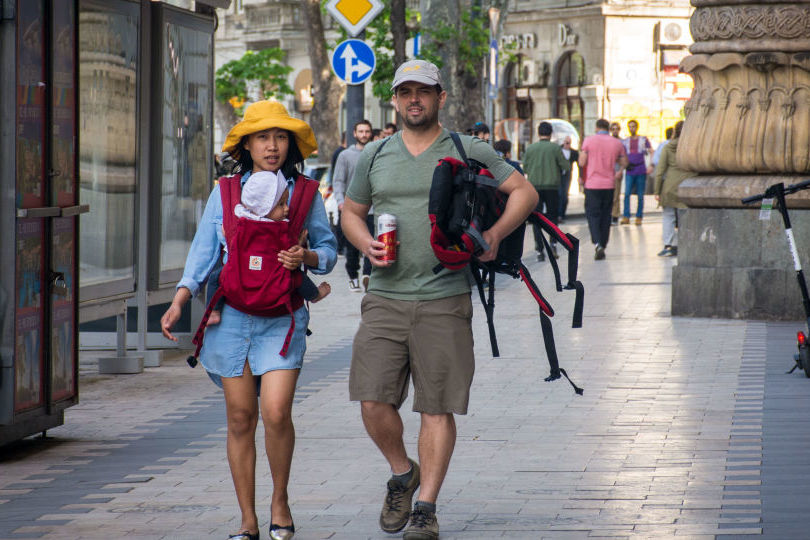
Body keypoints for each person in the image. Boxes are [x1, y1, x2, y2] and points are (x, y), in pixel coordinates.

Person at [341, 59, 537, 540]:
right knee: (372, 401)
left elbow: (524, 193)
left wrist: (492, 234)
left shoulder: (466, 148)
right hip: (384, 296)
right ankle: (403, 472)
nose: (414, 99)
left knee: (436, 407)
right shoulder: (376, 154)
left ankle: (425, 506)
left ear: (440, 97)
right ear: (394, 99)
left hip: (444, 296)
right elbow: (350, 210)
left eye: (423, 92)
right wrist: (364, 242)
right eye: (405, 92)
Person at [160, 101, 337, 540]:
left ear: (290, 144)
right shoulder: (224, 192)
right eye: (262, 137)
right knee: (241, 418)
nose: (272, 146)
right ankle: (247, 519)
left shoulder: (304, 193)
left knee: (276, 413)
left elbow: (330, 250)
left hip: (283, 318)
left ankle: (280, 500)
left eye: (279, 137)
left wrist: (307, 255)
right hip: (230, 320)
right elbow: (204, 251)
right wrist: (180, 299)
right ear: (247, 145)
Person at [206, 171, 331, 326]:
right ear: (263, 206)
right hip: (272, 274)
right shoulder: (278, 228)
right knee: (297, 277)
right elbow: (289, 248)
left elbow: (230, 235)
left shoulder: (243, 219)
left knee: (215, 278)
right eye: (281, 204)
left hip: (242, 272)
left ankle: (213, 311)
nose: (286, 209)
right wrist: (299, 242)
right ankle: (314, 294)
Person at [333, 119, 374, 292]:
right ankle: (352, 276)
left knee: (373, 242)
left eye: (367, 131)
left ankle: (367, 274)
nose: (364, 135)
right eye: (361, 131)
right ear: (354, 134)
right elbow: (338, 181)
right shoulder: (345, 156)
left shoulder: (376, 152)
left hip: (373, 209)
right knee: (352, 248)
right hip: (352, 209)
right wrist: (341, 202)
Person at [578, 118, 628, 260]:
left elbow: (582, 161)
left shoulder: (589, 141)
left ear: (596, 128)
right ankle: (603, 243)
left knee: (593, 214)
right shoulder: (617, 143)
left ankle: (597, 243)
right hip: (609, 184)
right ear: (608, 128)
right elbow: (624, 161)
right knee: (606, 214)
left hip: (592, 184)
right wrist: (619, 169)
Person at [522, 121, 570, 261]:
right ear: (551, 134)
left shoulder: (531, 149)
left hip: (534, 187)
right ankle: (553, 244)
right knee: (553, 217)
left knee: (536, 218)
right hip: (552, 187)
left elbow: (525, 168)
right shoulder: (555, 149)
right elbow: (565, 166)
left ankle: (539, 250)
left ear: (538, 133)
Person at [653, 120, 690, 257]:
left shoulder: (668, 147)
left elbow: (660, 170)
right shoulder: (693, 146)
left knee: (668, 217)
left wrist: (657, 191)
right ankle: (685, 244)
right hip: (688, 186)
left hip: (669, 187)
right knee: (685, 217)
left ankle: (668, 245)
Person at [620, 119, 653, 225]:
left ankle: (639, 216)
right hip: (630, 169)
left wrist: (651, 165)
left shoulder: (643, 140)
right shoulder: (625, 141)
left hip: (640, 169)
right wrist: (624, 165)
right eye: (630, 126)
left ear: (637, 127)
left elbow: (651, 151)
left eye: (633, 126)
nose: (631, 128)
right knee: (627, 194)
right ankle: (626, 216)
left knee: (640, 194)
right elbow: (622, 154)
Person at [558, 135, 579, 223]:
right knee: (559, 194)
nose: (567, 145)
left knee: (564, 195)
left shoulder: (574, 152)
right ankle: (559, 215)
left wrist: (580, 176)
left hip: (567, 175)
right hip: (558, 175)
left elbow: (579, 164)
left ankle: (562, 214)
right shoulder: (558, 150)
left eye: (569, 143)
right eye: (566, 143)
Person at [608, 122, 623, 224]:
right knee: (608, 195)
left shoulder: (622, 142)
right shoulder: (607, 141)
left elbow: (624, 158)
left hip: (617, 171)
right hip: (607, 172)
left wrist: (621, 170)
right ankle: (608, 215)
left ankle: (615, 215)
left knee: (616, 195)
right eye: (613, 129)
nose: (615, 130)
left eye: (616, 128)